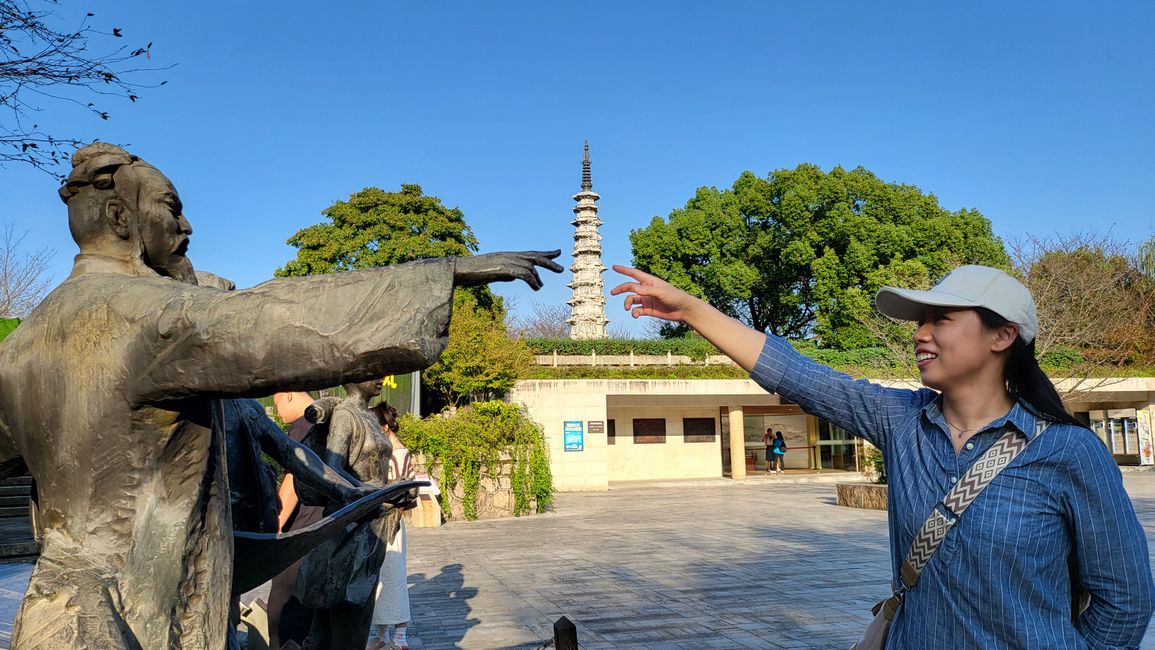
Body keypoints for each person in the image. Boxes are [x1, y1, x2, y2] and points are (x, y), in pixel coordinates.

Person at [0, 142, 561, 649]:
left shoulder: (21, 345)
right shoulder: (139, 314)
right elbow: (272, 321)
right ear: (121, 217)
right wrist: (445, 273)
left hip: (56, 605)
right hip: (140, 604)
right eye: (170, 208)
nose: (186, 224)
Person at [611, 263, 1155, 648]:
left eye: (940, 319)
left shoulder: (1067, 451)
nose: (919, 334)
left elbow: (1125, 599)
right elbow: (799, 375)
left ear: (1003, 335)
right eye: (920, 321)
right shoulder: (902, 422)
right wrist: (693, 311)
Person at [295, 379, 394, 650]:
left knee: (334, 627)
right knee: (349, 625)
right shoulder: (344, 416)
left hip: (370, 528)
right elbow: (332, 474)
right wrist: (380, 492)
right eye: (371, 370)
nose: (379, 376)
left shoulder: (368, 416)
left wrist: (392, 493)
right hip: (350, 532)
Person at [268, 390, 325, 650]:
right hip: (322, 530)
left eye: (276, 401)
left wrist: (275, 524)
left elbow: (292, 481)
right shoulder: (328, 419)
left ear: (289, 395)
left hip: (299, 533)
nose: (276, 409)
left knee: (282, 614)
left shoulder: (305, 424)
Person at [366, 402, 413, 650]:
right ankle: (383, 634)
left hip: (391, 521)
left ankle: (400, 637)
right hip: (381, 520)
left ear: (384, 428)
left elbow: (402, 493)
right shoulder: (384, 452)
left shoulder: (398, 453)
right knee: (381, 576)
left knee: (393, 576)